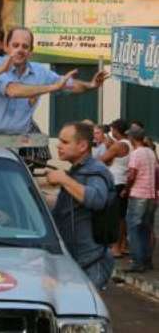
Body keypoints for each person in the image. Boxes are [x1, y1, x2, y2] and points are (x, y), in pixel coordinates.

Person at [0, 28, 108, 134]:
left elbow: (69, 85)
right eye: (15, 45)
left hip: (18, 143)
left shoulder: (40, 71)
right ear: (6, 47)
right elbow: (13, 90)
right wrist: (53, 87)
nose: (20, 50)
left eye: (25, 46)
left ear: (31, 51)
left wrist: (91, 85)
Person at [48, 122, 115, 289]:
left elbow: (97, 199)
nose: (58, 145)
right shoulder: (77, 171)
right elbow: (70, 207)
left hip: (91, 262)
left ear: (83, 146)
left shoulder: (96, 170)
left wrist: (64, 179)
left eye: (64, 142)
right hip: (76, 261)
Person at [123, 124, 157, 272]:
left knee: (133, 229)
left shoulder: (136, 154)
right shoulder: (150, 152)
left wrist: (126, 189)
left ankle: (137, 263)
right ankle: (147, 260)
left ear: (131, 138)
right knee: (145, 229)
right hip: (151, 196)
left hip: (138, 195)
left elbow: (132, 174)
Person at [98, 119, 132, 257]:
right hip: (124, 180)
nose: (111, 132)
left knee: (115, 216)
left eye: (112, 130)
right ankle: (122, 245)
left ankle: (116, 247)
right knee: (122, 217)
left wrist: (107, 147)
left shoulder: (118, 146)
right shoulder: (129, 143)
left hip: (116, 181)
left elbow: (102, 160)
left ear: (117, 130)